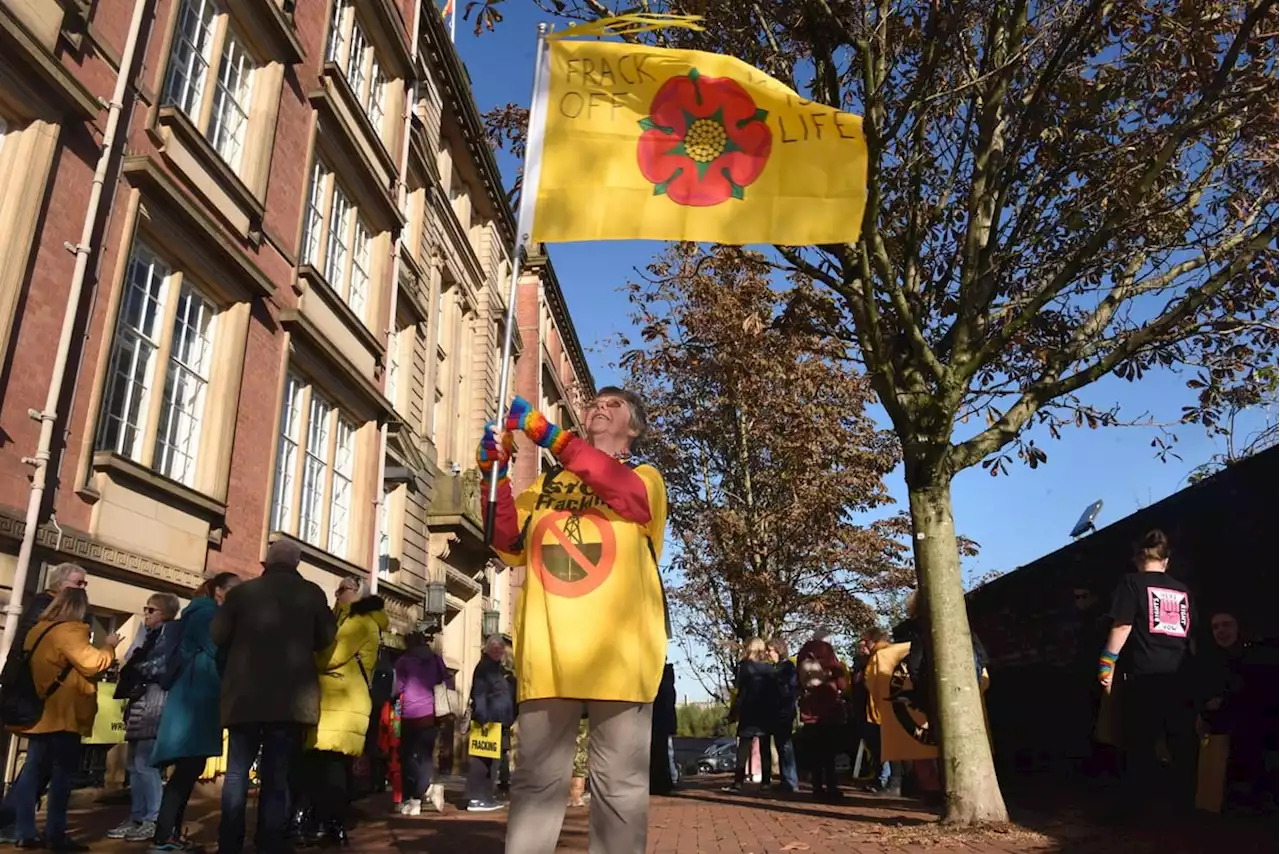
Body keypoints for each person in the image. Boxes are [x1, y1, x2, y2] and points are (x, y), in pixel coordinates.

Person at [481, 388, 667, 854]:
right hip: (549, 651)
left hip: (622, 652)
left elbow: (626, 497)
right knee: (536, 785)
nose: (599, 408)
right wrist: (494, 476)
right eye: (593, 405)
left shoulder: (644, 476)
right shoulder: (545, 487)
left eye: (614, 405)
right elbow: (506, 541)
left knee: (620, 789)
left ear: (635, 429)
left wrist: (549, 435)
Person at [211, 540, 337, 854]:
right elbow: (326, 638)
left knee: (237, 772)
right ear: (297, 563)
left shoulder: (241, 594)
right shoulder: (312, 594)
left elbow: (217, 635)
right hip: (290, 700)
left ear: (267, 561)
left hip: (245, 696)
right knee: (277, 772)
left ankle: (229, 841)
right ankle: (269, 840)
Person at [0, 587, 122, 850]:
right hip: (64, 715)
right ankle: (55, 834)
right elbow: (93, 662)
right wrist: (109, 646)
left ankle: (24, 831)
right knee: (62, 778)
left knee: (32, 773)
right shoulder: (70, 631)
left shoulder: (38, 630)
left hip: (41, 712)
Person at [1098, 529, 1196, 815]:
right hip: (1179, 674)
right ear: (1166, 560)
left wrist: (1107, 663)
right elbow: (1192, 634)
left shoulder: (1131, 583)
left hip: (1143, 675)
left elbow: (1122, 626)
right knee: (1179, 740)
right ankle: (1183, 805)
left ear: (1137, 559)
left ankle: (1135, 808)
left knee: (1138, 742)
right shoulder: (1184, 591)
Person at [148, 572, 241, 853]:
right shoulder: (207, 615)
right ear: (219, 591)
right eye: (234, 591)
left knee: (188, 768)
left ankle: (168, 833)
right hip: (196, 699)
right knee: (188, 769)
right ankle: (164, 834)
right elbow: (219, 650)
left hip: (195, 697)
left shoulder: (201, 612)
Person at [296, 576, 386, 846]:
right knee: (329, 765)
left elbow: (330, 656)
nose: (338, 594)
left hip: (341, 704)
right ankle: (328, 823)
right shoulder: (347, 620)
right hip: (338, 703)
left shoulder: (359, 622)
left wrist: (304, 655)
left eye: (344, 589)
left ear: (358, 594)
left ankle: (329, 824)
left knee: (329, 765)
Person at [107, 593, 182, 843]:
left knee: (146, 765)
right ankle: (138, 816)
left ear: (165, 613)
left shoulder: (169, 633)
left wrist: (135, 666)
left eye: (151, 610)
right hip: (141, 702)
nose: (146, 614)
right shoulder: (151, 636)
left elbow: (159, 665)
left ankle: (152, 818)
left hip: (154, 703)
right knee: (133, 765)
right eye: (145, 609)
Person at [393, 630, 453, 816]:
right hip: (431, 714)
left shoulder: (404, 661)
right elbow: (447, 682)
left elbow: (397, 688)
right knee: (426, 758)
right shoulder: (435, 659)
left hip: (409, 714)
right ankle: (418, 799)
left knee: (408, 757)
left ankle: (424, 791)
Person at [795, 633, 849, 802]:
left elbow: (798, 682)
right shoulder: (831, 658)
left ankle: (817, 788)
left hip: (809, 709)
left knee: (815, 752)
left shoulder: (803, 655)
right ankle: (832, 788)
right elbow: (843, 685)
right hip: (828, 709)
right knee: (829, 752)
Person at [467, 634, 518, 811]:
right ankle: (477, 798)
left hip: (500, 724)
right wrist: (482, 719)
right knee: (482, 762)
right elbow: (479, 694)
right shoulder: (484, 668)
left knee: (493, 763)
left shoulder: (500, 671)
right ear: (487, 649)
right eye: (494, 648)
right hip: (487, 723)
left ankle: (486, 796)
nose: (497, 651)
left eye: (500, 648)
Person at [724, 638, 781, 794]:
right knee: (765, 748)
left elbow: (740, 692)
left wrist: (734, 712)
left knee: (743, 748)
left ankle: (738, 782)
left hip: (749, 711)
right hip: (766, 712)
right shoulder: (770, 669)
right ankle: (766, 782)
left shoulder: (745, 668)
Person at [858, 628, 900, 796]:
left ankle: (892, 782)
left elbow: (870, 681)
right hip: (894, 706)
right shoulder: (893, 652)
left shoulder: (878, 656)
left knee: (886, 747)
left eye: (865, 640)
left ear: (872, 641)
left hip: (879, 709)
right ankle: (891, 781)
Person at [766, 639, 799, 793]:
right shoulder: (776, 667)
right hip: (776, 711)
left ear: (778, 651)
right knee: (781, 746)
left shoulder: (787, 667)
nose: (768, 653)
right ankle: (786, 780)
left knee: (785, 746)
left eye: (770, 650)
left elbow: (791, 689)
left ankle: (791, 782)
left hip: (784, 710)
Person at [650, 662, 678, 795]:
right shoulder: (669, 687)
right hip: (665, 723)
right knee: (666, 753)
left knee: (662, 753)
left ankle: (664, 781)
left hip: (658, 723)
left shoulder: (660, 686)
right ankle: (669, 780)